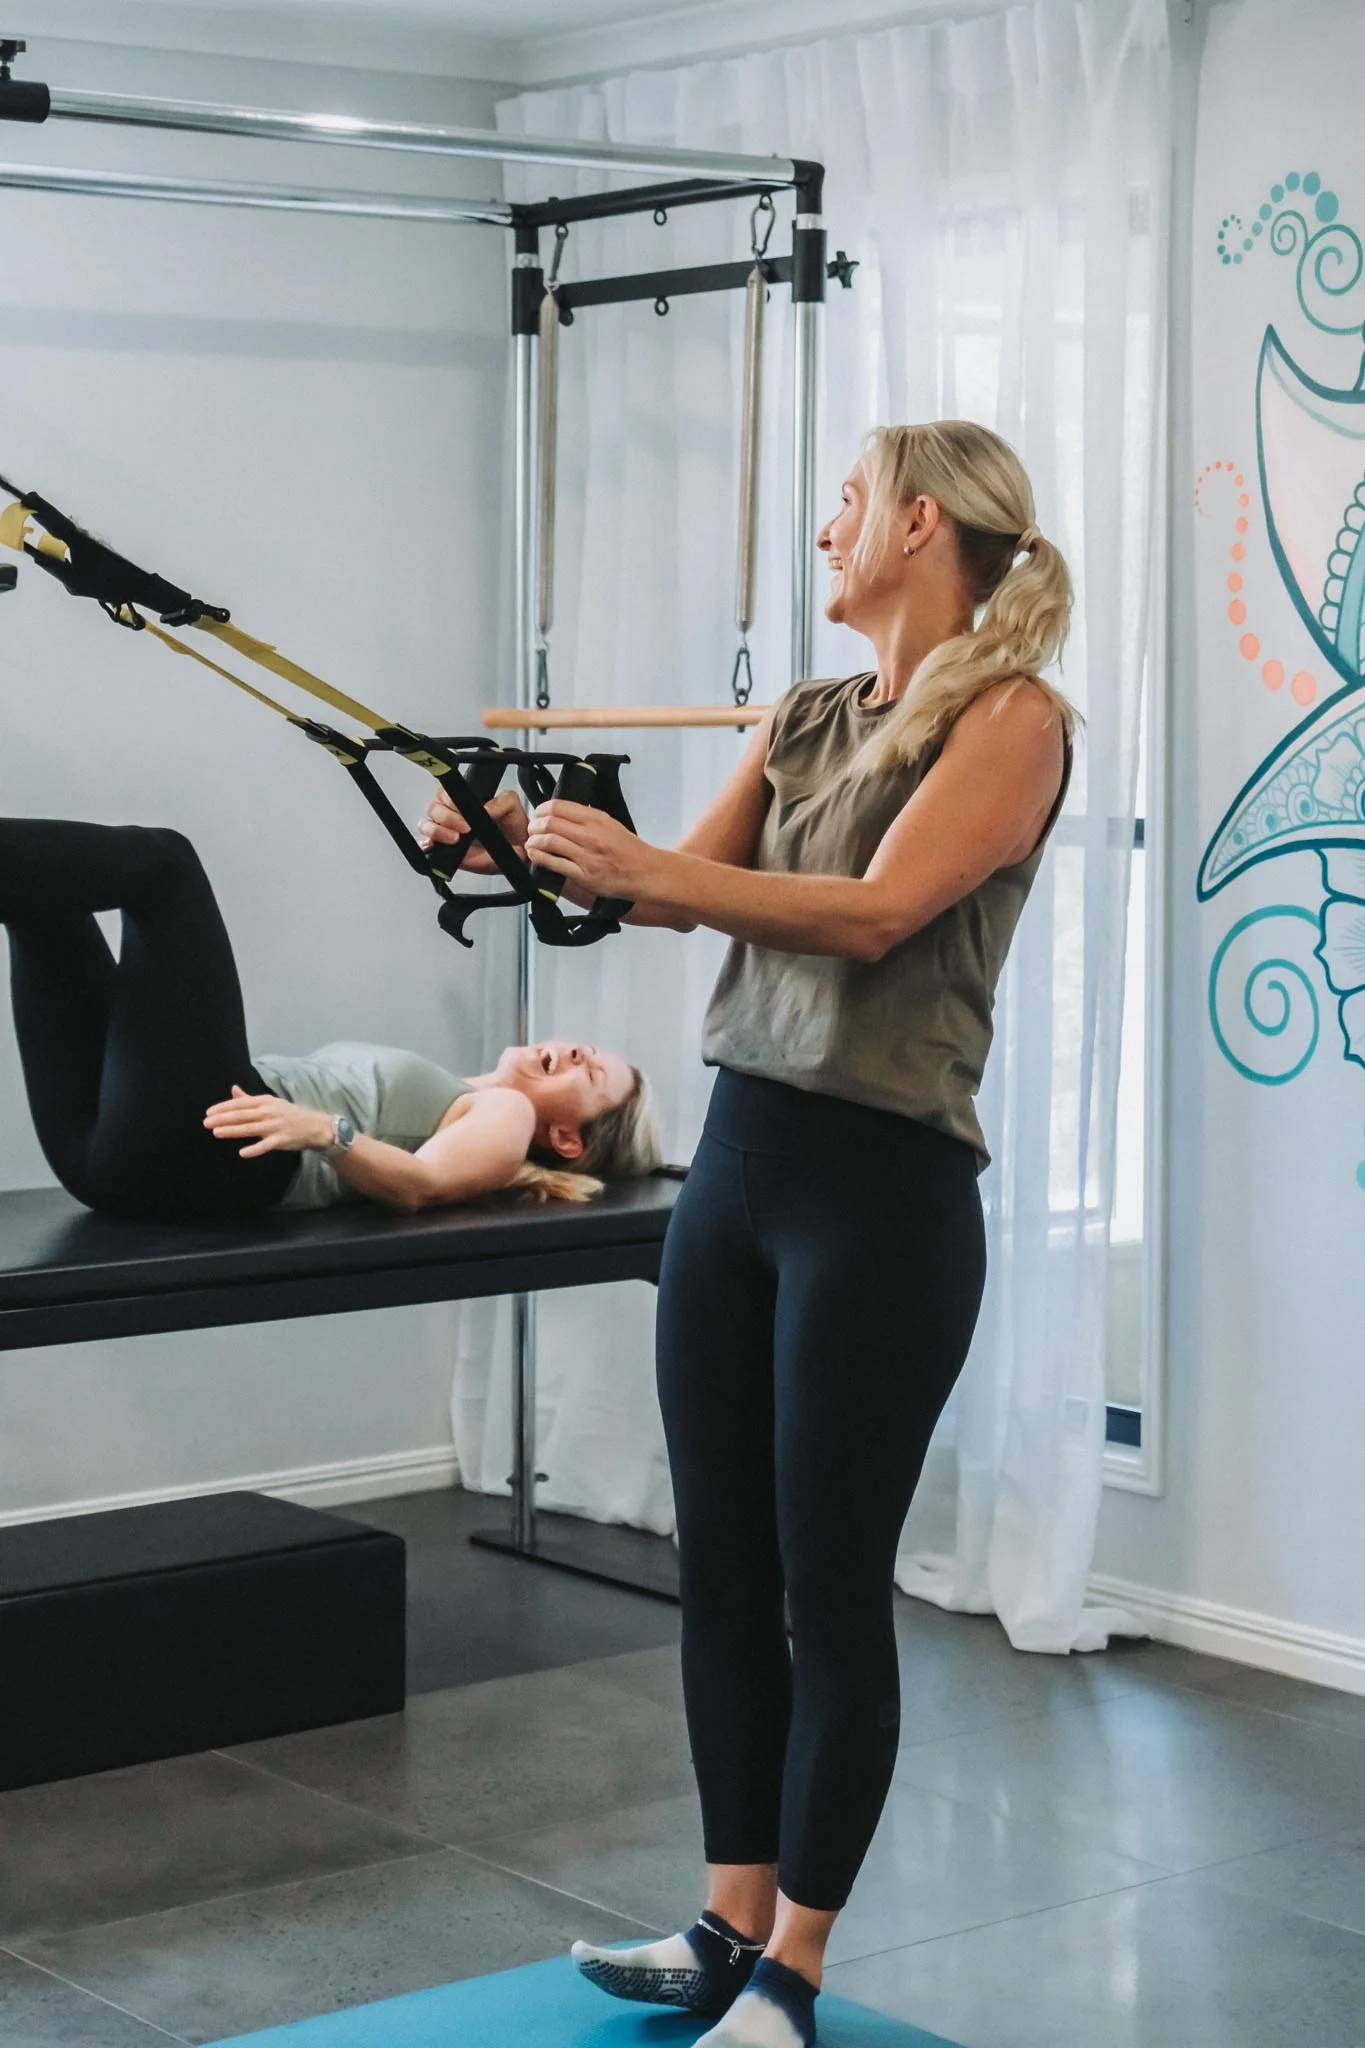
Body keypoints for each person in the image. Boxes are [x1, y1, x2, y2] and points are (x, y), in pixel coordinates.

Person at [421, 418, 1077, 2048]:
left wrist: (638, 860)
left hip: (884, 1199)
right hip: (740, 1172)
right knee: (719, 1562)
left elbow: (871, 914)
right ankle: (723, 1923)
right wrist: (513, 848)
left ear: (920, 524)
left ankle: (795, 1965)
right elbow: (661, 891)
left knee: (826, 1587)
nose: (827, 526)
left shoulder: (1012, 720)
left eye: (847, 500)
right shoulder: (802, 713)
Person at [0, 818, 660, 1225]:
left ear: (568, 1139)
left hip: (203, 1150)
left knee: (166, 867)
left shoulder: (508, 1118)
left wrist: (322, 1130)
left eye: (591, 1072)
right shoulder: (461, 1097)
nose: (575, 1051)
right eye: (587, 1046)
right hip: (111, 1163)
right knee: (44, 907)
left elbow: (421, 1188)